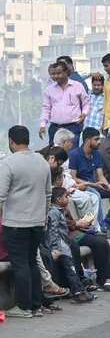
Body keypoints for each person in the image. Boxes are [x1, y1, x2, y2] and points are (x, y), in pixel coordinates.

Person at [0, 126, 52, 318]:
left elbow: (0, 195)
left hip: (16, 223)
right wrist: (43, 217)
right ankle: (36, 305)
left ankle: (24, 306)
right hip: (37, 223)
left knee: (20, 263)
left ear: (11, 141)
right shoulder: (43, 163)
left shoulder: (8, 164)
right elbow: (48, 195)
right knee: (31, 261)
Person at [68, 127, 110, 233]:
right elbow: (73, 178)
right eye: (96, 139)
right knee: (96, 194)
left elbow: (100, 175)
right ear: (87, 140)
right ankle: (100, 226)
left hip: (96, 185)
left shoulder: (96, 154)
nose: (99, 142)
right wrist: (93, 184)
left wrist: (106, 185)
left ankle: (107, 221)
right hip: (83, 187)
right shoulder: (75, 154)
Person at [47, 187, 96, 303]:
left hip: (64, 245)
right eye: (66, 196)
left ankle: (78, 290)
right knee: (71, 270)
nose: (68, 198)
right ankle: (78, 292)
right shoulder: (54, 212)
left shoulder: (60, 211)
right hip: (60, 247)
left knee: (71, 269)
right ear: (59, 199)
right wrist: (54, 248)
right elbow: (53, 231)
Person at [39, 61, 91, 146]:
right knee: (55, 155)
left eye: (59, 73)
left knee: (71, 154)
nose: (56, 76)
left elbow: (86, 103)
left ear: (66, 72)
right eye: (54, 74)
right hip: (55, 128)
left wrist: (84, 113)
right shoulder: (49, 89)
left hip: (73, 127)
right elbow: (46, 108)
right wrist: (42, 125)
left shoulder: (77, 86)